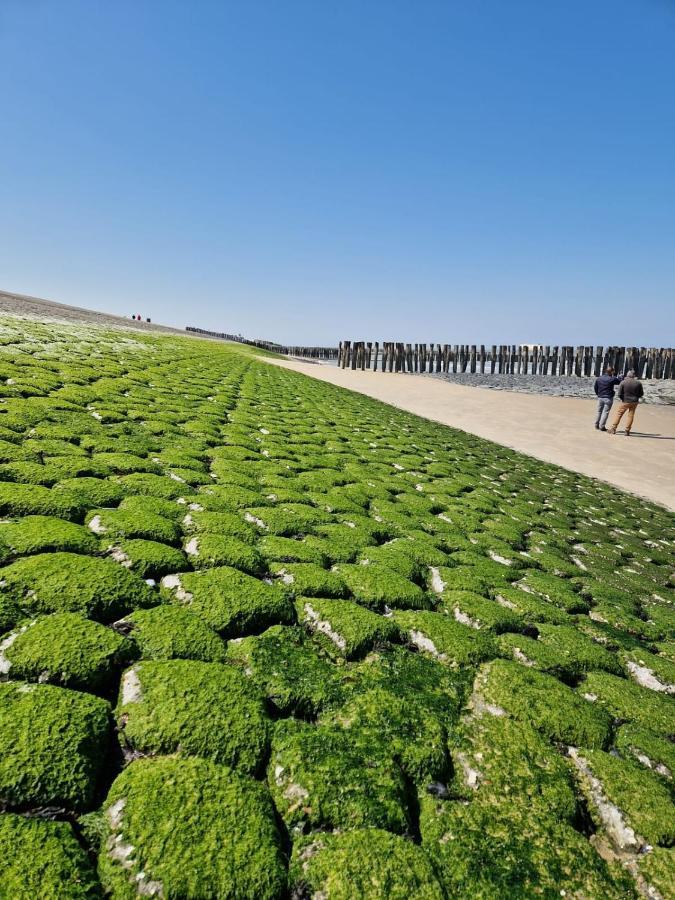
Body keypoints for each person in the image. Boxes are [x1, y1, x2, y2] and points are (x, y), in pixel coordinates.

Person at [608, 370, 644, 436]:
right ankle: (627, 430)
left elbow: (619, 394)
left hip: (625, 401)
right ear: (634, 375)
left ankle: (613, 428)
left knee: (619, 414)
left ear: (627, 375)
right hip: (634, 402)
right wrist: (636, 397)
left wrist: (623, 399)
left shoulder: (623, 382)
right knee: (631, 416)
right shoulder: (638, 383)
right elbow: (641, 393)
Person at [593, 366, 622, 431]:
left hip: (600, 397)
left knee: (599, 411)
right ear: (612, 372)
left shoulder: (599, 378)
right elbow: (619, 381)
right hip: (608, 398)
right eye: (613, 371)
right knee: (605, 412)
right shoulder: (612, 379)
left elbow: (595, 388)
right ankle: (602, 426)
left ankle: (596, 425)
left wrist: (598, 394)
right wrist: (619, 376)